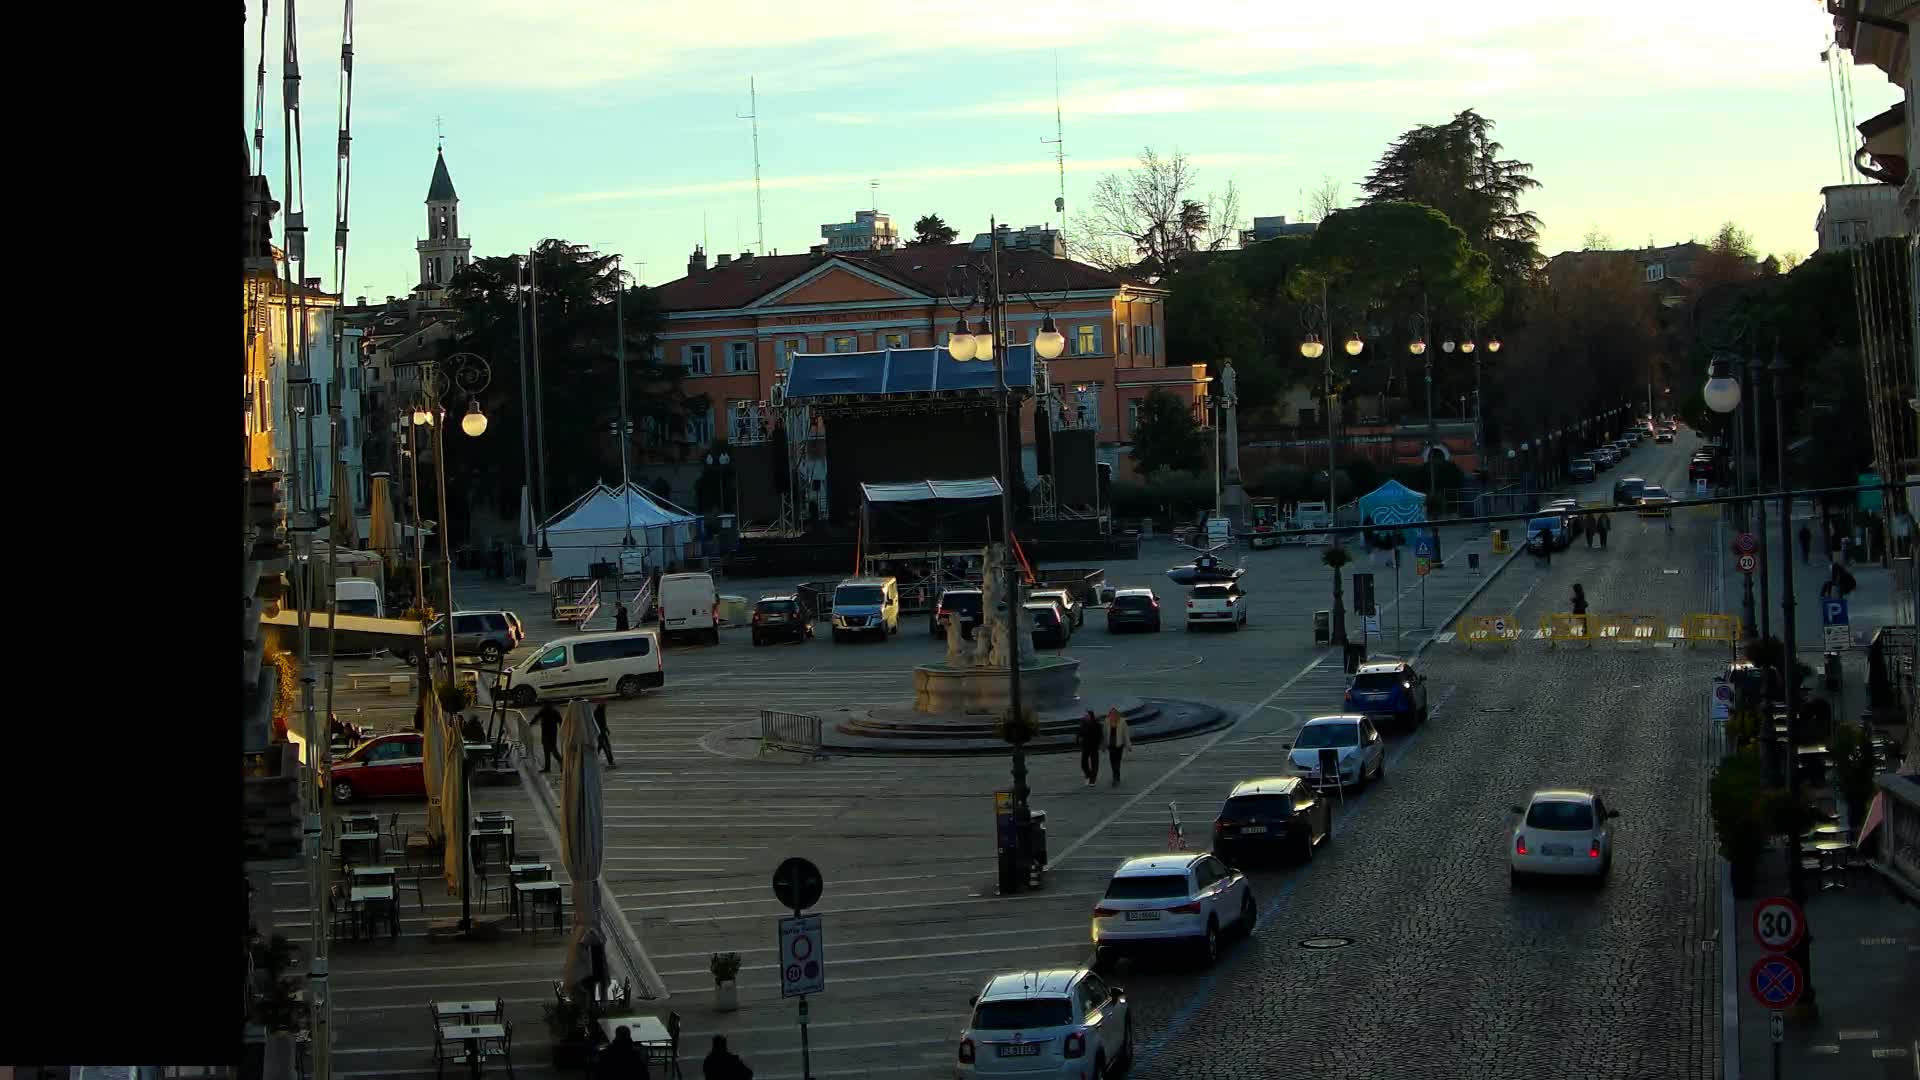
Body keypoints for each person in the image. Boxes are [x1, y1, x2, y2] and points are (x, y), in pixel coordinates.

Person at [1076, 709, 1103, 786]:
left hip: (1094, 746)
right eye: (1085, 715)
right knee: (1083, 763)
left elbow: (1100, 735)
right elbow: (1079, 733)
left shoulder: (1097, 724)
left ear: (1091, 716)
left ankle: (1092, 780)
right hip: (1085, 746)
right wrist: (1078, 740)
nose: (1085, 716)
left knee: (1094, 764)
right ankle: (1088, 775)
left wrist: (1098, 743)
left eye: (1087, 715)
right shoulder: (1083, 724)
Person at [1105, 707, 1130, 787]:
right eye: (1111, 713)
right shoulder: (1107, 721)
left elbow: (1126, 734)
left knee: (1117, 761)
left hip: (1119, 745)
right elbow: (1105, 734)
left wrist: (1128, 745)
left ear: (1116, 714)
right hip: (1111, 745)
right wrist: (1103, 745)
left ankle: (1115, 778)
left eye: (1114, 713)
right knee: (1112, 761)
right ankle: (1115, 776)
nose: (1112, 715)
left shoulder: (1122, 721)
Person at [535, 701, 563, 773]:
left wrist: (530, 724)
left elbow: (536, 718)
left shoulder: (546, 711)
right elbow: (561, 722)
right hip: (551, 734)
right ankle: (549, 767)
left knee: (550, 751)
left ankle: (560, 764)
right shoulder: (554, 711)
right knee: (551, 750)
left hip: (547, 734)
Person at [594, 701, 619, 768]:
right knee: (606, 747)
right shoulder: (598, 713)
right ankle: (610, 761)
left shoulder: (600, 712)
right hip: (600, 734)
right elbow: (599, 724)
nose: (605, 707)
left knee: (600, 747)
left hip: (602, 733)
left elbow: (603, 723)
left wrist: (606, 729)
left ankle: (593, 760)